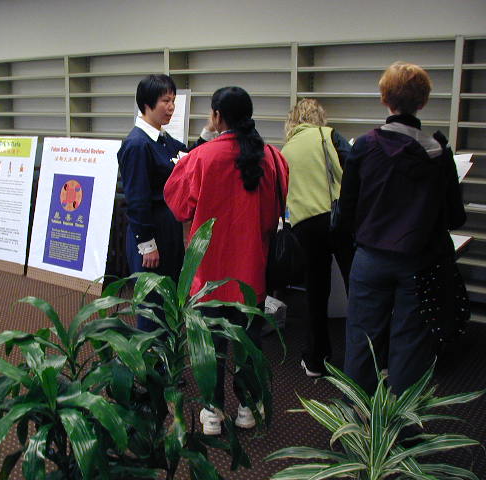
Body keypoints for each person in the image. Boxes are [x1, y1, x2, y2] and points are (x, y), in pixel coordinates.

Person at [164, 86, 288, 435]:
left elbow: (178, 206)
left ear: (217, 116)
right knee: (249, 342)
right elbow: (275, 211)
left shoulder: (201, 158)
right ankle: (248, 408)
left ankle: (212, 412)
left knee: (211, 345)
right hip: (252, 269)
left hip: (210, 272)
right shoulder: (273, 157)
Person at [339, 62, 466, 396]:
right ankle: (399, 422)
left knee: (362, 340)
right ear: (423, 102)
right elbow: (455, 217)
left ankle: (356, 417)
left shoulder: (364, 146)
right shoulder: (438, 152)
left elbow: (347, 210)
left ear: (384, 98)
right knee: (411, 344)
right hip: (419, 262)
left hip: (370, 258)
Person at [281, 99, 354, 377]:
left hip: (305, 225)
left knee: (316, 292)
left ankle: (316, 360)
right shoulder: (328, 135)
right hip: (337, 218)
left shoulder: (286, 150)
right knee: (356, 288)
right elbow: (353, 170)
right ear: (318, 116)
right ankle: (368, 359)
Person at [117, 74, 190, 332]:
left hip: (168, 230)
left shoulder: (163, 139)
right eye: (165, 101)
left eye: (173, 101)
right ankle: (151, 357)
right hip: (150, 233)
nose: (171, 107)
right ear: (147, 104)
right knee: (152, 306)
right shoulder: (137, 144)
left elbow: (189, 157)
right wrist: (147, 245)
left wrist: (207, 134)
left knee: (169, 299)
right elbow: (136, 200)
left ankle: (167, 355)